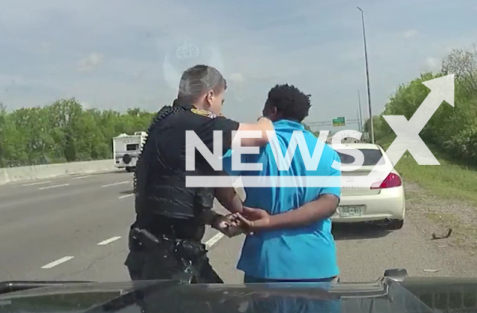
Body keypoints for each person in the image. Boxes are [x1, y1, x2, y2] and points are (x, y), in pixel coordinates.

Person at [125, 64, 273, 284]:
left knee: (217, 309)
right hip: (170, 259)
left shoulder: (166, 122)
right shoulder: (197, 124)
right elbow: (262, 135)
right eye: (221, 102)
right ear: (210, 95)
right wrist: (267, 118)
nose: (221, 111)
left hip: (156, 251)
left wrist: (220, 218)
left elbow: (179, 194)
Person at [223, 84, 341, 283]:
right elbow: (328, 204)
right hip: (319, 265)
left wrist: (240, 211)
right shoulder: (327, 153)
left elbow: (215, 178)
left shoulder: (251, 147)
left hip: (267, 265)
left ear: (272, 111)